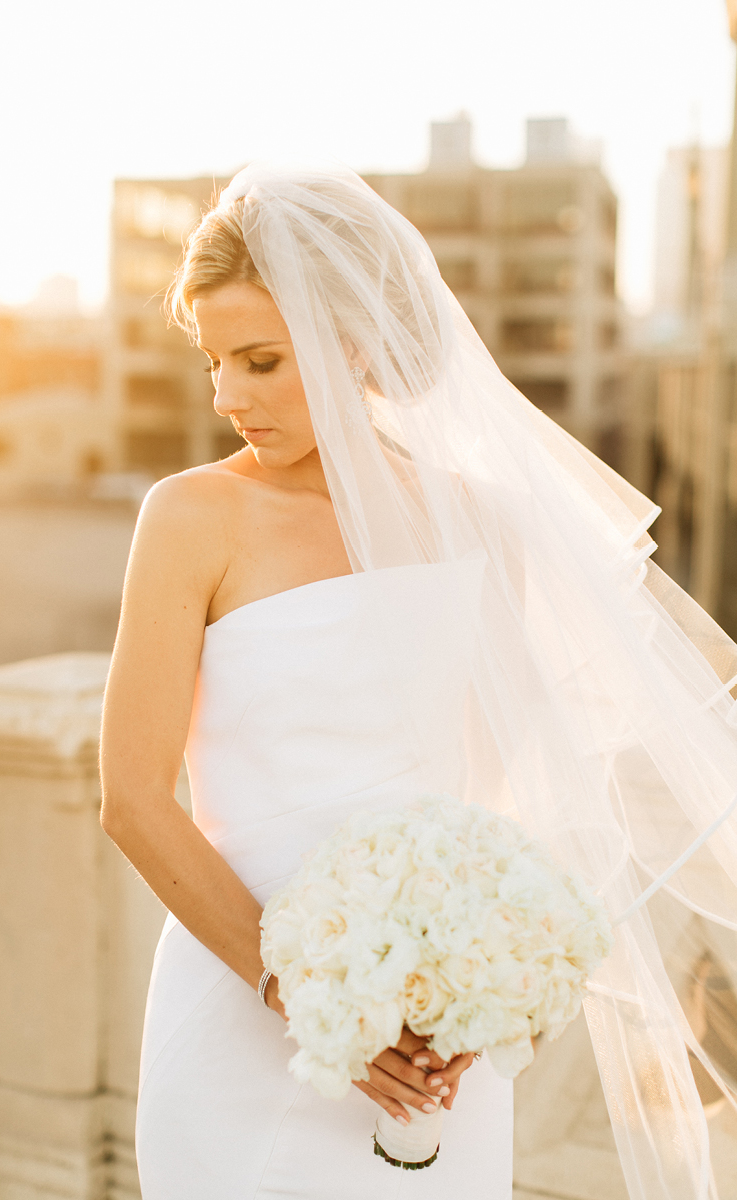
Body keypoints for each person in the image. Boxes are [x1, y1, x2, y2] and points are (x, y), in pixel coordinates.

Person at [100, 163, 737, 1199]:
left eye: (259, 360)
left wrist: (472, 986)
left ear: (353, 341)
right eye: (214, 363)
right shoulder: (188, 519)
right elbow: (129, 800)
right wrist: (301, 991)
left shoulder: (482, 524)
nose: (226, 397)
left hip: (432, 1036)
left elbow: (489, 796)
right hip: (239, 1012)